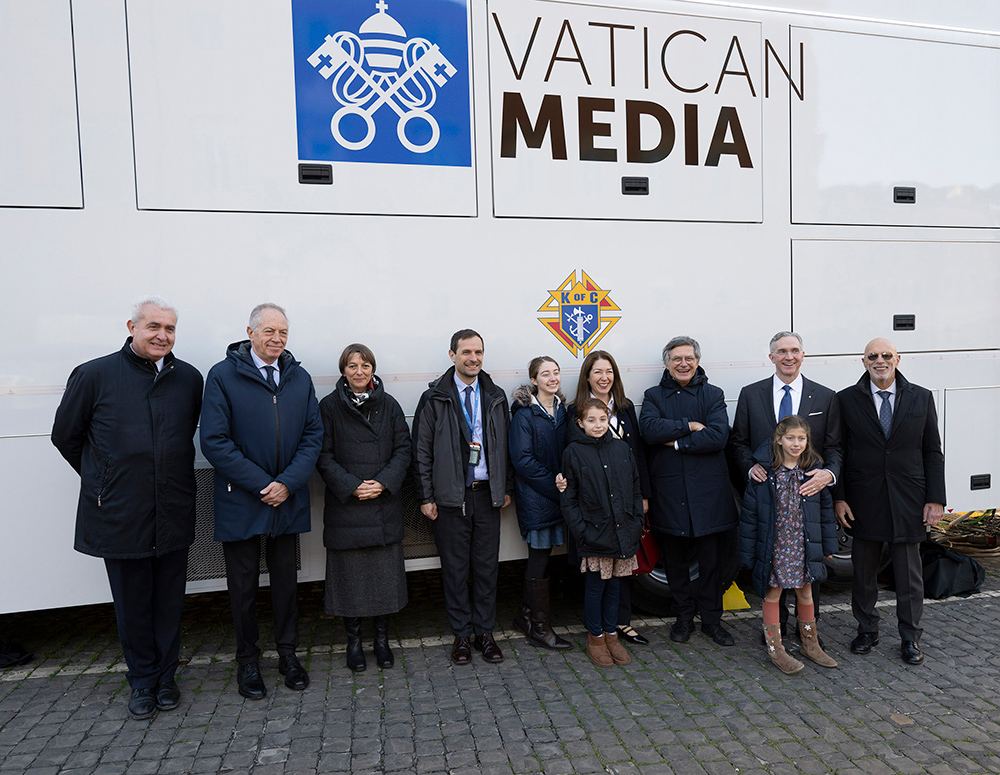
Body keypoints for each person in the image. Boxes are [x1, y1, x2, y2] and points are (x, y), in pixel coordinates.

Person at [51, 296, 202, 719]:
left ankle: (166, 677)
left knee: (170, 602)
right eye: (153, 326)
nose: (162, 336)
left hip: (172, 508)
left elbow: (186, 433)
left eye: (170, 329)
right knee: (132, 604)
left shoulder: (189, 379)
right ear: (132, 327)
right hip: (121, 512)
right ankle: (142, 681)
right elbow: (66, 436)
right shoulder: (94, 375)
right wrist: (105, 479)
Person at [200, 303, 323, 698]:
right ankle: (248, 662)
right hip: (244, 498)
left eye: (283, 332)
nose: (277, 339)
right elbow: (214, 441)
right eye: (269, 331)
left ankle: (288, 654)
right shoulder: (222, 376)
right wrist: (261, 484)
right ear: (250, 333)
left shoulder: (299, 378)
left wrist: (286, 483)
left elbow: (312, 436)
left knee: (287, 583)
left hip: (286, 498)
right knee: (243, 587)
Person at [835, 338, 945, 665]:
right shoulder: (845, 400)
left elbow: (932, 452)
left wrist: (935, 499)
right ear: (863, 361)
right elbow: (837, 450)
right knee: (864, 572)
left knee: (909, 575)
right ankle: (866, 630)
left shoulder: (921, 398)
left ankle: (910, 638)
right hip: (863, 498)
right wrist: (839, 497)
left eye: (885, 355)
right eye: (872, 356)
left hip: (909, 498)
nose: (879, 360)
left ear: (898, 358)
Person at [730, 331, 841, 636]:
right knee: (772, 572)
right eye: (781, 352)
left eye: (794, 350)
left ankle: (808, 635)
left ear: (803, 355)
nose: (788, 357)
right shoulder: (751, 394)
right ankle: (774, 634)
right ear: (771, 357)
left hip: (809, 496)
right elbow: (738, 441)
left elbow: (834, 447)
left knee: (810, 569)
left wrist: (828, 475)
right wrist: (749, 466)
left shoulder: (825, 396)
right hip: (769, 500)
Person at [413, 329, 513, 665]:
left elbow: (506, 447)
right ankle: (461, 635)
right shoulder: (434, 398)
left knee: (486, 570)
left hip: (486, 496)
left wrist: (506, 487)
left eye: (479, 352)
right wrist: (426, 496)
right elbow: (421, 451)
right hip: (450, 500)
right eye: (466, 352)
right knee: (455, 571)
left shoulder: (495, 395)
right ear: (452, 355)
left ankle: (485, 633)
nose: (474, 358)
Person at [316, 344, 411, 672]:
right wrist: (352, 485)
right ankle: (354, 641)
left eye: (365, 365)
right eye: (352, 366)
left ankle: (381, 640)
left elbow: (404, 449)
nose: (359, 372)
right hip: (348, 507)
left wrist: (382, 482)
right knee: (350, 582)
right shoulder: (328, 407)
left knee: (384, 581)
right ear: (343, 370)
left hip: (382, 504)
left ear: (373, 369)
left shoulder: (390, 405)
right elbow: (322, 455)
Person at [639, 336, 738, 647]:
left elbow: (719, 436)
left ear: (697, 360)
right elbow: (650, 430)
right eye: (677, 359)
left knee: (711, 565)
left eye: (689, 358)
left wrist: (678, 441)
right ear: (667, 363)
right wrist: (691, 425)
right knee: (677, 564)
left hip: (709, 494)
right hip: (669, 494)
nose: (684, 364)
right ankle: (683, 619)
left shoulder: (713, 394)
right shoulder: (653, 395)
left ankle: (712, 621)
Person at [739, 416, 838, 674]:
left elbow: (825, 513)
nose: (796, 444)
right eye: (791, 438)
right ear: (779, 439)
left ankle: (810, 644)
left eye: (801, 438)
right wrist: (748, 554)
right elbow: (749, 517)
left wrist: (827, 544)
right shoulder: (764, 475)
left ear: (807, 441)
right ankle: (777, 649)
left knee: (806, 592)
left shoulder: (813, 474)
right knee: (773, 593)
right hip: (776, 544)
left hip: (802, 543)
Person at [567, 350, 651, 646]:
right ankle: (599, 633)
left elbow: (637, 454)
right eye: (598, 372)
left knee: (622, 569)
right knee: (599, 579)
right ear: (587, 377)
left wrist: (643, 501)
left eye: (609, 372)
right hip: (595, 510)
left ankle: (620, 625)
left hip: (624, 505)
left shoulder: (625, 408)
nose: (604, 377)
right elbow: (571, 464)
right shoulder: (575, 410)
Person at [561, 398, 644, 667]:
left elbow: (634, 488)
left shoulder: (621, 448)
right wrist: (582, 530)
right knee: (596, 588)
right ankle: (595, 637)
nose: (598, 425)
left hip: (622, 531)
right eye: (591, 420)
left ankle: (611, 635)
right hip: (594, 534)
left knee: (615, 587)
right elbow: (569, 498)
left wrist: (635, 522)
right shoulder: (573, 452)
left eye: (602, 419)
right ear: (580, 423)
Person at [508, 356, 572, 651]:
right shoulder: (524, 415)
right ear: (534, 380)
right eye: (545, 374)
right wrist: (555, 486)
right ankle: (541, 628)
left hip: (557, 495)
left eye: (556, 372)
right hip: (538, 497)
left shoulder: (563, 412)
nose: (552, 378)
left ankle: (524, 615)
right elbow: (523, 461)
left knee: (545, 558)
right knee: (539, 559)